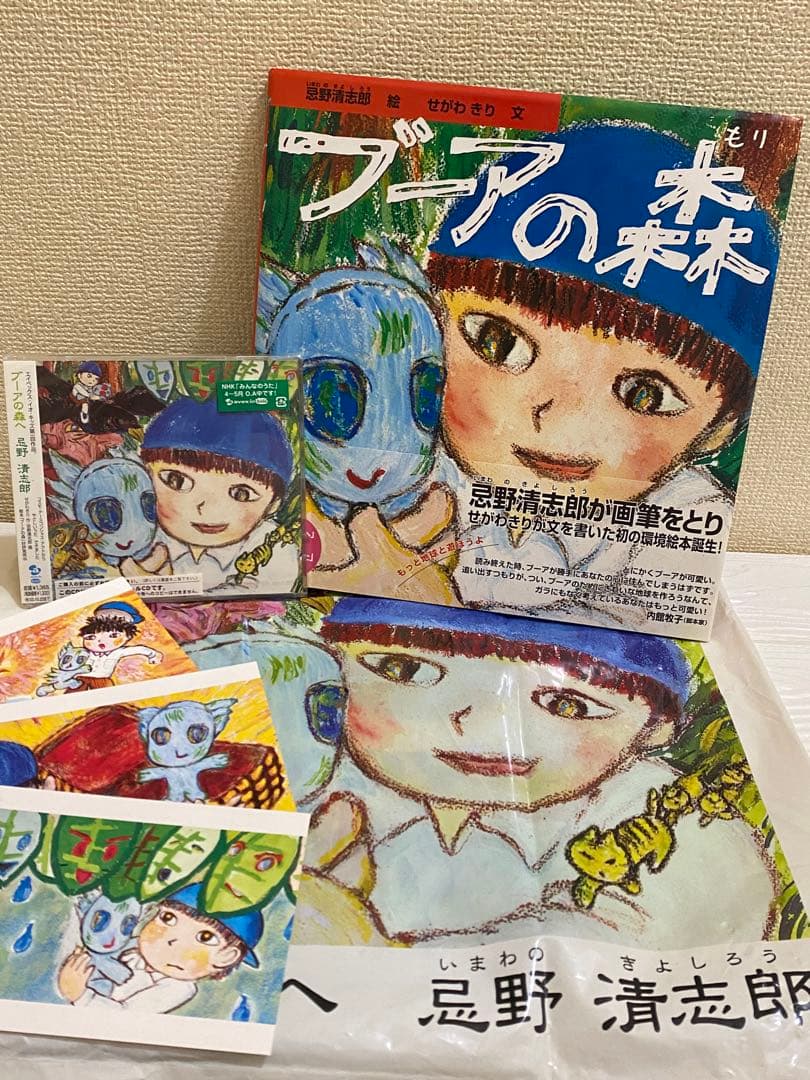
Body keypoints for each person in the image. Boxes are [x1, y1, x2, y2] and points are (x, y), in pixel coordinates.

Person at [423, 122, 780, 626]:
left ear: (720, 426)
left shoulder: (685, 520)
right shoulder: (410, 468)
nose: (558, 416)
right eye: (499, 343)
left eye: (645, 394)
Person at [300, 597, 777, 949]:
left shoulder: (660, 807)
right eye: (404, 670)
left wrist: (371, 945)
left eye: (567, 704)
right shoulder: (315, 769)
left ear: (653, 728)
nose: (485, 724)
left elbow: (688, 919)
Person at [133, 396, 296, 593]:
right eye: (177, 481)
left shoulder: (272, 544)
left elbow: (261, 595)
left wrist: (166, 590)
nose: (208, 508)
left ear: (273, 504)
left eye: (241, 494)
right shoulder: (139, 534)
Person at [57, 882, 263, 1013]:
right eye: (168, 918)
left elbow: (125, 1017)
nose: (171, 938)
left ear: (226, 956)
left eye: (205, 937)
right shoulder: (130, 952)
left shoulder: (178, 988)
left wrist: (80, 996)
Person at [37, 600, 162, 695]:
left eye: (113, 636)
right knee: (71, 698)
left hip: (103, 681)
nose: (101, 642)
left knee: (109, 702)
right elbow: (68, 662)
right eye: (92, 637)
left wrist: (152, 654)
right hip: (80, 679)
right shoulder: (82, 652)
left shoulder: (117, 652)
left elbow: (137, 649)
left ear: (127, 638)